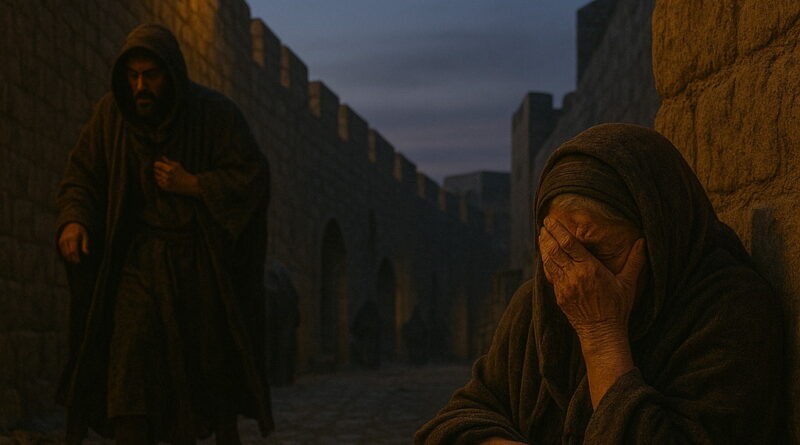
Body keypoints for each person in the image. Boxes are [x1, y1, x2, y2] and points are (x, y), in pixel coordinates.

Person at [415, 124, 785, 444]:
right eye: (561, 248)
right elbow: (457, 419)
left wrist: (601, 335)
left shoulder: (730, 311)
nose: (578, 276)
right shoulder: (537, 304)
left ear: (660, 238)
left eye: (601, 251)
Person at [55, 24, 272, 445]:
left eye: (150, 74)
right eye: (133, 76)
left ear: (171, 73)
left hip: (197, 269)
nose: (141, 86)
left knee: (198, 379)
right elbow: (81, 176)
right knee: (128, 370)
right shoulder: (110, 117)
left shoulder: (216, 115)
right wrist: (73, 220)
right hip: (134, 267)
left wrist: (195, 184)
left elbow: (252, 177)